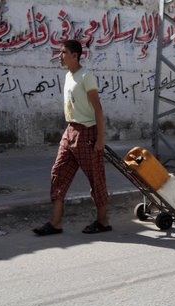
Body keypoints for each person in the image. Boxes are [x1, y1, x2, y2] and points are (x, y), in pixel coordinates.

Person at [33, 39, 111, 236]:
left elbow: (98, 109)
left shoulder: (86, 77)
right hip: (70, 132)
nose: (60, 56)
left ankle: (103, 222)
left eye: (63, 52)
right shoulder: (69, 76)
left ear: (75, 55)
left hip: (87, 134)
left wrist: (100, 139)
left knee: (96, 179)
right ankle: (55, 223)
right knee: (58, 174)